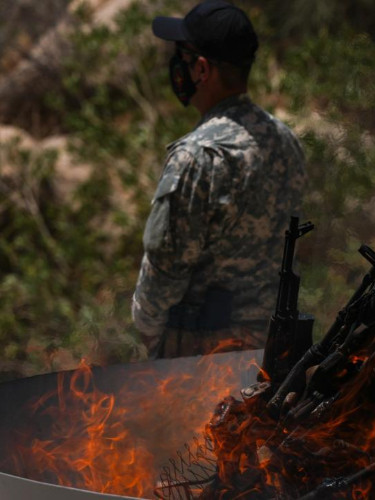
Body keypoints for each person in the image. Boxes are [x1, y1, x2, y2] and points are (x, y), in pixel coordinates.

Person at [132, 0, 306, 358]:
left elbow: (165, 265)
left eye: (181, 55)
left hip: (200, 361)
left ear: (200, 69)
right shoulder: (286, 141)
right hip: (271, 351)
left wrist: (148, 330)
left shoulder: (196, 155)